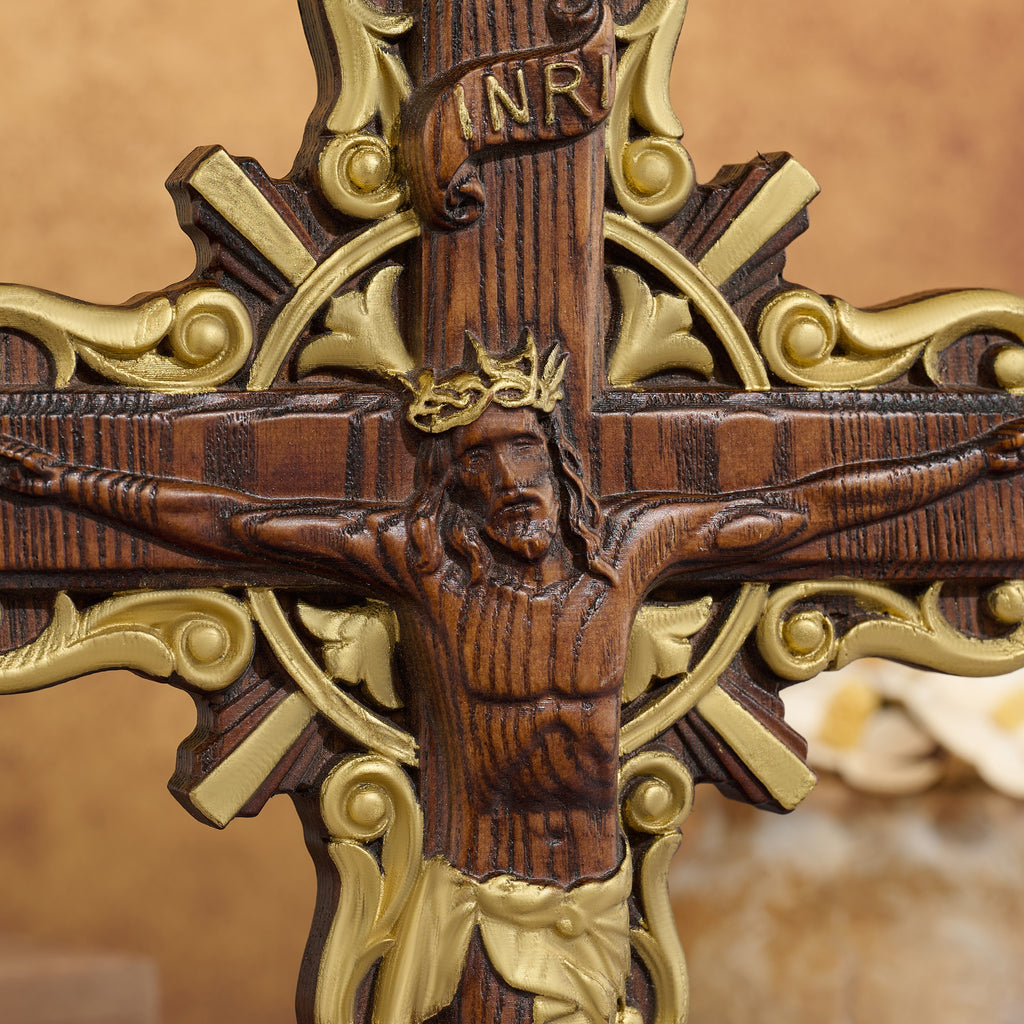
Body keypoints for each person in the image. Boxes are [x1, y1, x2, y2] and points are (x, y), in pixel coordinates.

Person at [1, 343, 1022, 1024]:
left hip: (595, 897)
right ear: (456, 487)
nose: (506, 485)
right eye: (478, 468)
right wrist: (75, 480)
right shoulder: (422, 567)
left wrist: (974, 462)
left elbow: (814, 507)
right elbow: (236, 523)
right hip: (464, 898)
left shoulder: (633, 551)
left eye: (522, 455)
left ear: (560, 464)